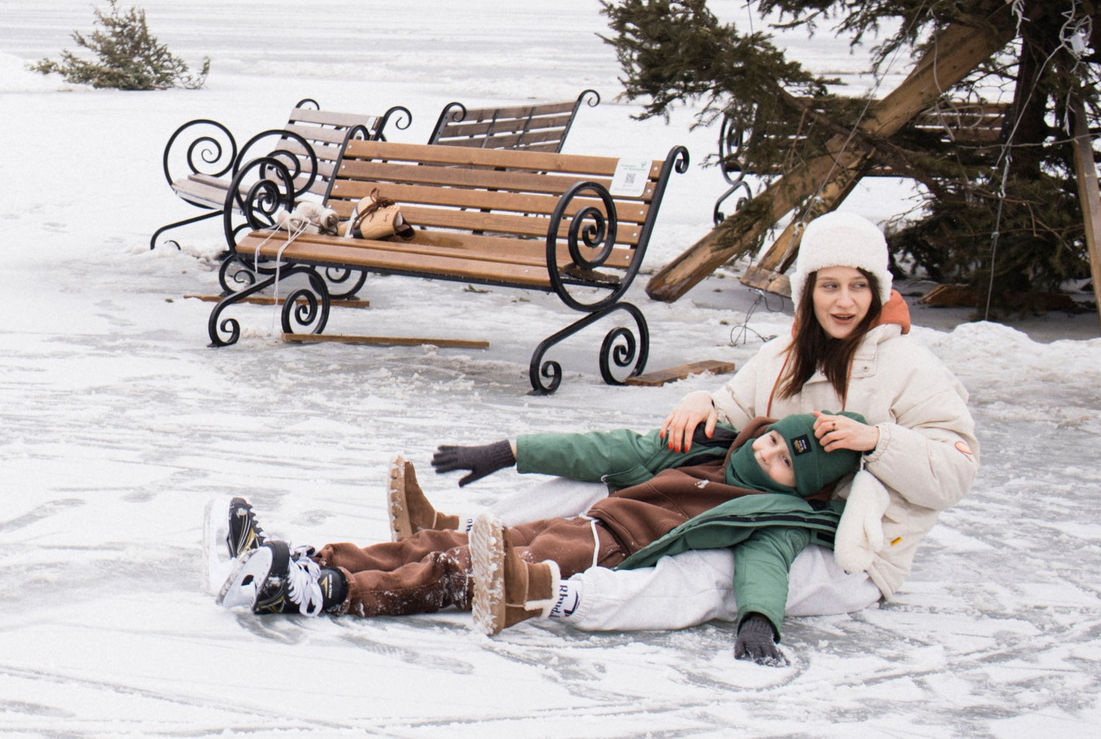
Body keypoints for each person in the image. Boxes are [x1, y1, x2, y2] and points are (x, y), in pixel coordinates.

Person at [206, 209, 979, 664]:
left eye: (857, 286)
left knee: (707, 570)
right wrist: (702, 406)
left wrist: (875, 440)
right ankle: (328, 562)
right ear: (808, 291)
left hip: (846, 545)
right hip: (729, 499)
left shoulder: (906, 367)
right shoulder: (786, 355)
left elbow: (953, 468)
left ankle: (531, 589)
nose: (843, 300)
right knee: (618, 481)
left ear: (879, 294)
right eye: (828, 284)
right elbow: (728, 412)